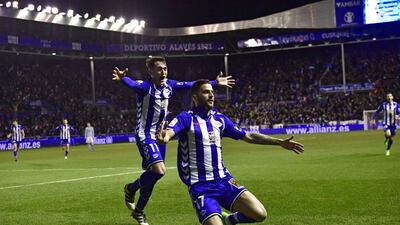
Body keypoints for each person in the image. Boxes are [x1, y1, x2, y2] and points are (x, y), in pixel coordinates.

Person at [156, 79, 304, 225]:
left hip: (224, 180)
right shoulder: (186, 118)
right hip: (200, 187)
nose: (211, 95)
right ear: (194, 97)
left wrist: (279, 142)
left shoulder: (220, 119)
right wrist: (164, 138)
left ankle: (229, 219)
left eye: (212, 92)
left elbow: (249, 136)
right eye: (206, 92)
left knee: (260, 214)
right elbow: (169, 133)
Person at [112, 56, 235, 225]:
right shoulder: (145, 87)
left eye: (165, 68)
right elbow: (133, 84)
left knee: (154, 176)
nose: (163, 72)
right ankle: (131, 188)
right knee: (160, 170)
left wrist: (214, 82)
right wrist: (122, 78)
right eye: (159, 69)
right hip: (145, 135)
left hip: (161, 135)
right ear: (151, 71)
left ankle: (139, 210)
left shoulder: (170, 85)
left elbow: (190, 85)